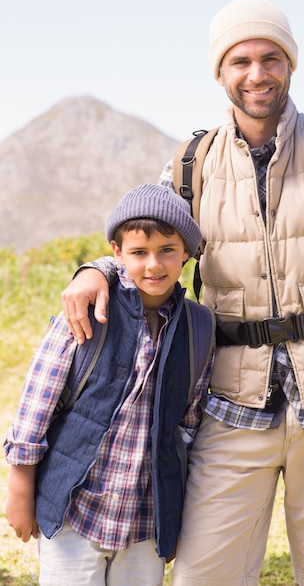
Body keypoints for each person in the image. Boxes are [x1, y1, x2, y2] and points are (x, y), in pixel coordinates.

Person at [59, 0, 304, 586]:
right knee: (205, 576)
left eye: (271, 58)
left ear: (291, 65)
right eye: (241, 60)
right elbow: (144, 245)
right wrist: (94, 271)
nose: (257, 74)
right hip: (229, 407)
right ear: (220, 73)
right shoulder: (191, 165)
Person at [4, 184, 215, 586]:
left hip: (143, 519)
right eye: (138, 253)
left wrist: (171, 516)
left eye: (167, 250)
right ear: (117, 253)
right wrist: (21, 486)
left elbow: (186, 429)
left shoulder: (198, 326)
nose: (154, 265)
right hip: (73, 510)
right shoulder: (87, 309)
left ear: (186, 252)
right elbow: (38, 401)